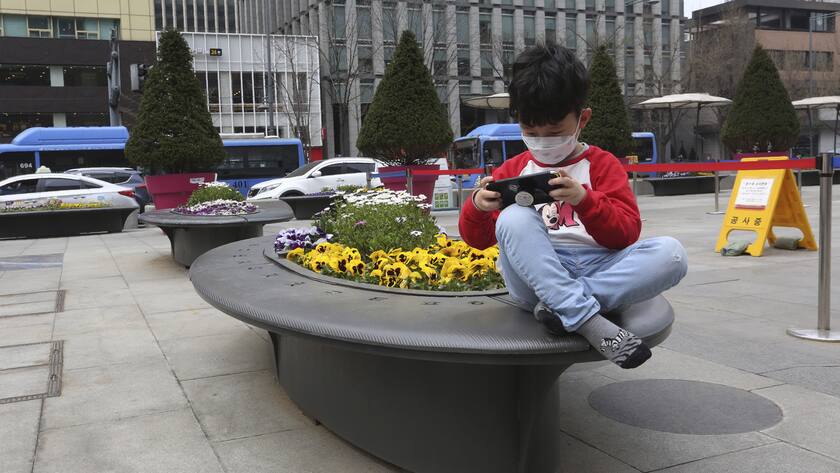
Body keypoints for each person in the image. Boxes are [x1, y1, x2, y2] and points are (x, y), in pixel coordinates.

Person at [459, 44, 687, 369]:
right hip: (535, 277)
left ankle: (562, 306)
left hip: (598, 266)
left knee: (673, 254)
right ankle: (588, 320)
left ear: (583, 119)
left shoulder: (602, 164)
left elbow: (625, 234)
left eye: (555, 132)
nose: (542, 140)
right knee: (512, 217)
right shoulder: (511, 170)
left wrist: (583, 198)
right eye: (530, 131)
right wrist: (478, 206)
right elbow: (477, 240)